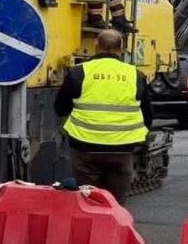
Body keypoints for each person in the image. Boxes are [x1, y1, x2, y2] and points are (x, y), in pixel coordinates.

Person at [53, 29, 151, 203]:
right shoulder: (135, 75)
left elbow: (60, 108)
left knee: (87, 201)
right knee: (115, 204)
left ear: (96, 46)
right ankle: (113, 228)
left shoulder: (79, 72)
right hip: (122, 150)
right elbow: (148, 115)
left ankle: (89, 228)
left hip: (85, 149)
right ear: (121, 49)